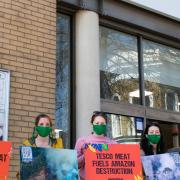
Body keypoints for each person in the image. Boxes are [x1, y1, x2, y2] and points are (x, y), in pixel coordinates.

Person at [17, 114, 63, 180]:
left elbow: (62, 165)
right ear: (36, 127)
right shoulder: (28, 144)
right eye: (41, 124)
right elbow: (24, 170)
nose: (44, 127)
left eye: (47, 124)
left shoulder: (58, 143)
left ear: (50, 127)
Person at [75, 111, 117, 180]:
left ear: (106, 125)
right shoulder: (82, 141)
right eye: (97, 123)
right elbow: (75, 165)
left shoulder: (113, 144)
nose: (99, 125)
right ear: (92, 124)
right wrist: (85, 155)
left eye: (102, 123)